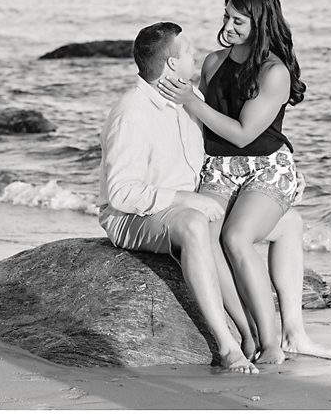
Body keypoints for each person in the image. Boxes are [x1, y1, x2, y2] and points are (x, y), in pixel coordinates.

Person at [158, 0, 331, 362]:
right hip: (219, 169)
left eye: (238, 19)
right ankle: (246, 332)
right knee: (201, 235)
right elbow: (200, 128)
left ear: (259, 23)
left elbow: (244, 135)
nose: (228, 25)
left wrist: (191, 101)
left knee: (237, 237)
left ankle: (273, 342)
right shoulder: (213, 62)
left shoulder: (274, 72)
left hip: (266, 169)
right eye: (226, 15)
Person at [100, 21, 261, 373]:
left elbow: (221, 150)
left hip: (183, 204)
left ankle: (255, 332)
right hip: (131, 216)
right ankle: (227, 344)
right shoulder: (131, 112)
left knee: (266, 218)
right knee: (194, 223)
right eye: (188, 51)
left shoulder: (191, 99)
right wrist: (187, 201)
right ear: (172, 63)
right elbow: (121, 193)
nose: (195, 56)